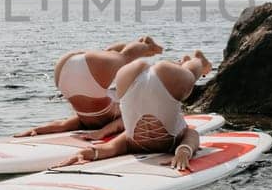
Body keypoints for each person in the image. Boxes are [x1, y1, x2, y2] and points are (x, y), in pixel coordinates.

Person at [65, 50, 212, 171]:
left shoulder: (128, 141)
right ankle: (197, 61)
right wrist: (184, 151)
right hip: (137, 81)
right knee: (188, 74)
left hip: (130, 80)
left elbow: (107, 149)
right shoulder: (129, 142)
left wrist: (89, 153)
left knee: (188, 74)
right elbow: (193, 134)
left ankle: (195, 62)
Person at [13, 36, 163, 138]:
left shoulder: (83, 120)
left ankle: (144, 45)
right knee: (124, 57)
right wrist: (101, 133)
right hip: (67, 80)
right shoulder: (87, 119)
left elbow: (61, 125)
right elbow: (120, 124)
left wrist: (35, 130)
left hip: (69, 70)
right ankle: (146, 43)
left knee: (123, 57)